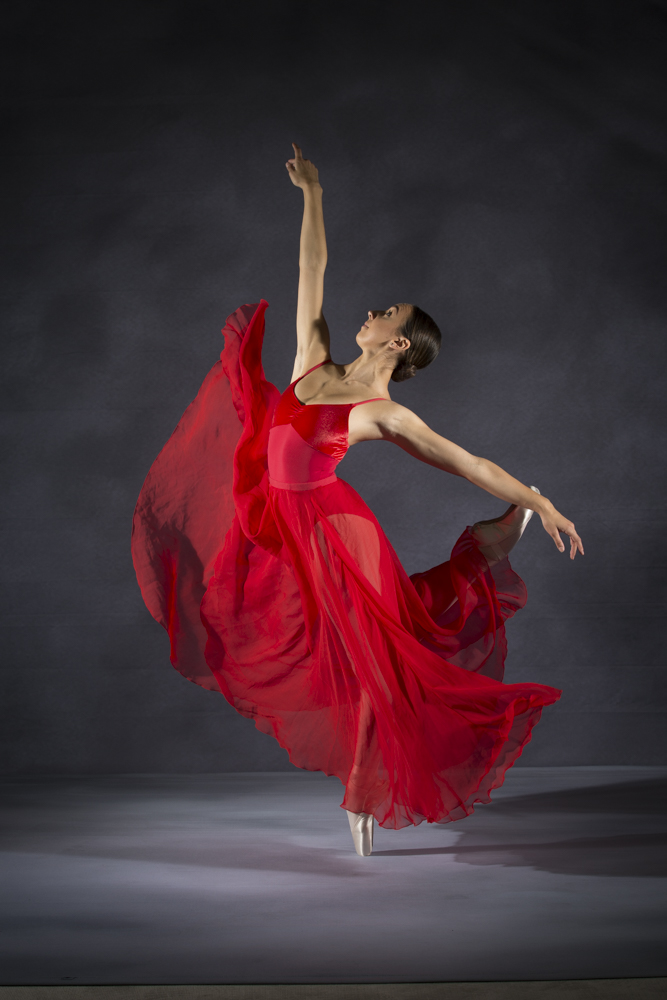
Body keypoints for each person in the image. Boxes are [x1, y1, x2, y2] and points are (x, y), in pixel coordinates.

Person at [132, 144, 584, 858]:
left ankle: (365, 786)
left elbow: (468, 461)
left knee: (376, 652)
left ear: (396, 341)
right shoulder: (310, 358)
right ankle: (485, 549)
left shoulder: (381, 411)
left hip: (337, 530)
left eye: (382, 313)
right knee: (334, 640)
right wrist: (312, 194)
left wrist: (540, 499)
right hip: (282, 521)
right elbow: (313, 269)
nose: (367, 313)